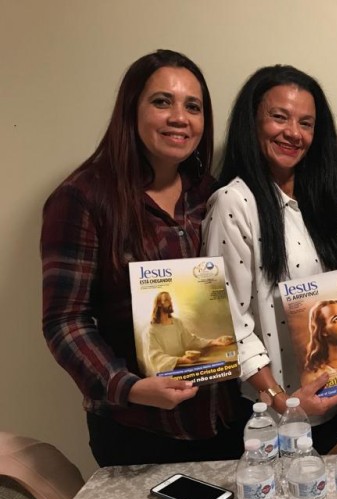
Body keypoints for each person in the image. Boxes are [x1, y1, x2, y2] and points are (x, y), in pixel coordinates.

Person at [41, 50, 251, 467]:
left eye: (193, 106)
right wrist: (129, 387)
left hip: (223, 419)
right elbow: (65, 321)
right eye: (162, 102)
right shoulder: (83, 198)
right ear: (130, 110)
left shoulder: (210, 192)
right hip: (139, 429)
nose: (179, 117)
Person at [202, 65, 337, 453]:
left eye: (306, 123)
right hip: (278, 420)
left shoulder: (325, 197)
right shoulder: (234, 202)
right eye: (279, 117)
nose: (294, 133)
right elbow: (232, 322)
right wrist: (286, 404)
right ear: (252, 122)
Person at [144, 291, 234, 376]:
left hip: (184, 369)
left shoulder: (177, 323)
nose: (171, 303)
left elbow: (191, 340)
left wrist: (214, 342)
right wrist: (180, 360)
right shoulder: (151, 330)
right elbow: (156, 357)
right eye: (167, 300)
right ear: (159, 304)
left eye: (171, 300)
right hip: (168, 373)